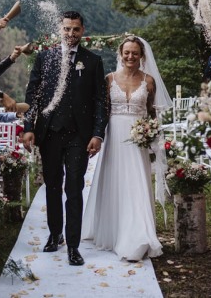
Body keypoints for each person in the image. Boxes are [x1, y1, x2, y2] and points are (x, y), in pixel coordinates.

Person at [22, 10, 108, 266]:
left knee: (74, 186)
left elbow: (100, 101)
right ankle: (54, 233)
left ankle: (73, 245)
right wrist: (29, 126)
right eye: (67, 29)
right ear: (59, 30)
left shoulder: (92, 61)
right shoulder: (44, 58)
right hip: (49, 133)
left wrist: (97, 133)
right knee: (52, 186)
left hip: (79, 137)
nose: (71, 34)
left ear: (83, 31)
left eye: (76, 29)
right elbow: (33, 95)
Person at [82, 36, 170, 260]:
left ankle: (139, 234)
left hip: (137, 137)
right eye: (127, 53)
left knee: (137, 183)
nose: (130, 57)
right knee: (115, 180)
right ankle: (113, 229)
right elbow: (102, 111)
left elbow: (151, 112)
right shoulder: (109, 79)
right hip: (115, 136)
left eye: (135, 53)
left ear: (142, 56)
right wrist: (97, 136)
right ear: (120, 54)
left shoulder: (149, 81)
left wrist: (149, 133)